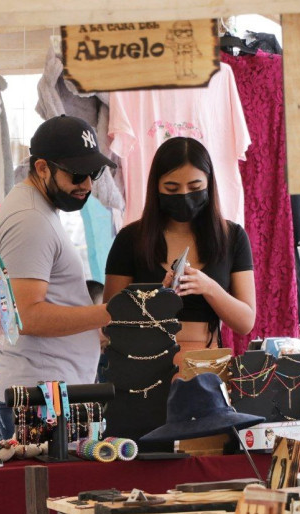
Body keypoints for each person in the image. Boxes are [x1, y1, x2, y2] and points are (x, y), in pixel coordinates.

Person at [0, 115, 114, 437]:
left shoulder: (37, 208)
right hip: (37, 400)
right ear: (42, 168)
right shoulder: (31, 219)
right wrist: (109, 314)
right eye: (77, 174)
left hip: (43, 394)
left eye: (94, 173)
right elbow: (26, 316)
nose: (87, 184)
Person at [104, 137, 256, 364]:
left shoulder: (232, 237)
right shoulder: (131, 239)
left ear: (209, 183)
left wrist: (208, 287)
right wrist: (155, 297)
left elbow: (245, 322)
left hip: (205, 364)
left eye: (195, 187)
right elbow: (110, 317)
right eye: (172, 188)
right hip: (142, 364)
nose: (184, 195)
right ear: (156, 187)